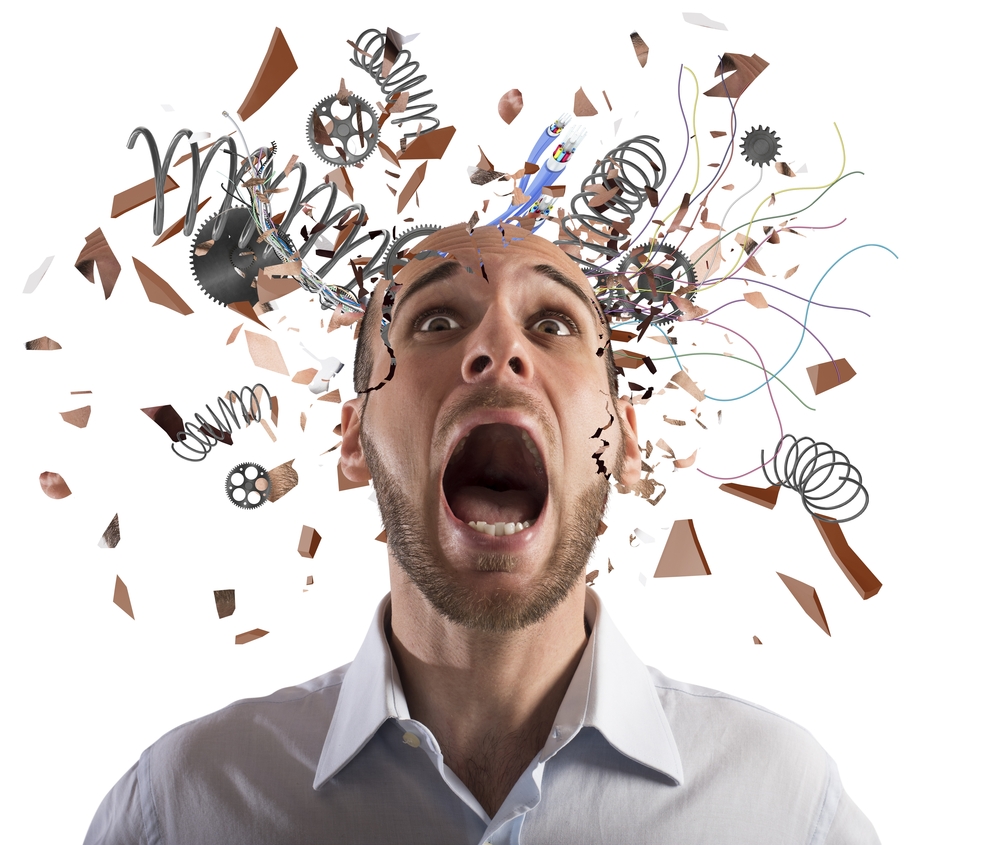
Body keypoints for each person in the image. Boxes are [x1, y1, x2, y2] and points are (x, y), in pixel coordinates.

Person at [84, 224, 880, 844]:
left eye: (553, 323)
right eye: (434, 318)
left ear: (625, 441)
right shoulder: (184, 804)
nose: (498, 349)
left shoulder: (783, 805)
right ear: (354, 439)